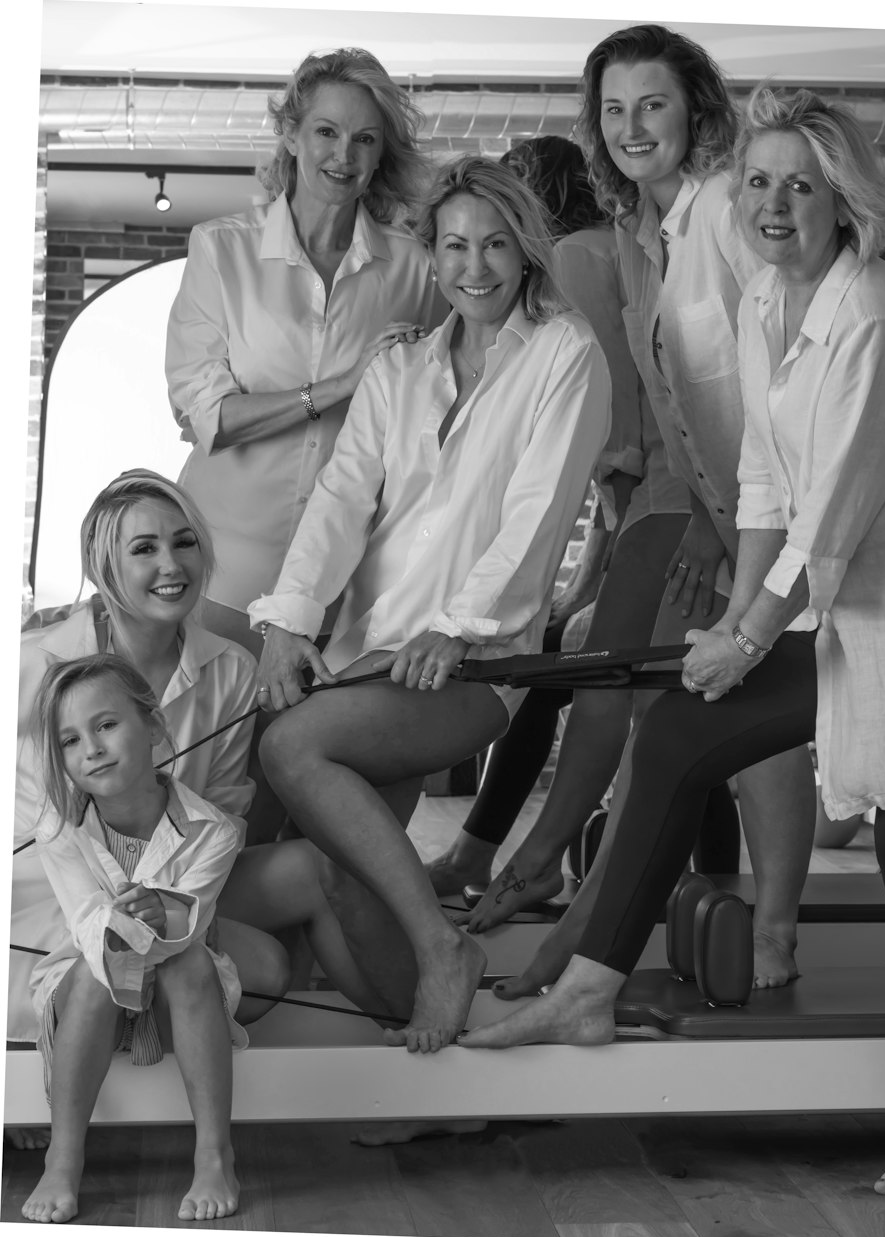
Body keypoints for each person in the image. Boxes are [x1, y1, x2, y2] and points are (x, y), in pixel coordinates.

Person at [462, 86, 885, 1203]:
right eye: (755, 180)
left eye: (800, 183)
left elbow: (834, 510)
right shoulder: (763, 304)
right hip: (838, 607)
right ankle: (590, 986)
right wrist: (735, 619)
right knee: (681, 734)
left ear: (843, 199)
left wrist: (747, 633)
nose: (773, 203)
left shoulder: (878, 318)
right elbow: (760, 479)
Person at [459, 27, 816, 993]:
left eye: (651, 104)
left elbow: (773, 385)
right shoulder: (646, 233)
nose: (630, 127)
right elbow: (675, 402)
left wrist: (719, 521)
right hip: (725, 504)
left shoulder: (728, 214)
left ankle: (770, 928)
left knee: (749, 713)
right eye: (613, 111)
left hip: (776, 514)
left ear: (697, 108)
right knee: (706, 711)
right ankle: (587, 920)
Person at [250, 155, 612, 1054]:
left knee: (292, 743)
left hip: (477, 662)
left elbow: (540, 511)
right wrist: (291, 618)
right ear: (432, 254)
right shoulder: (402, 365)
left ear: (526, 250)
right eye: (454, 246)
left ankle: (441, 944)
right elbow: (340, 499)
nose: (474, 267)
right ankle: (439, 1081)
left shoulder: (566, 355)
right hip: (370, 653)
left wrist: (459, 627)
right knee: (339, 875)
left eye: (494, 244)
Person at [427, 134, 738, 899]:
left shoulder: (572, 265)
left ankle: (532, 865)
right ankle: (695, 885)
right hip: (665, 498)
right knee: (655, 699)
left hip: (670, 497)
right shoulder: (613, 249)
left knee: (623, 688)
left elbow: (616, 430)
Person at [10, 471, 376, 1066]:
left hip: (174, 883)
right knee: (254, 968)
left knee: (306, 882)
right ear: (104, 568)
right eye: (144, 549)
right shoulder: (33, 665)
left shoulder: (230, 669)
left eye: (184, 543)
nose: (172, 564)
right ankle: (60, 1037)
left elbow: (226, 809)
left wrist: (173, 904)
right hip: (57, 893)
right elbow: (45, 830)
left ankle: (407, 1026)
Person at [166, 47, 439, 657]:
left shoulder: (416, 270)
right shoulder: (221, 252)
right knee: (213, 750)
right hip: (221, 569)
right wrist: (342, 385)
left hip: (344, 583)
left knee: (296, 750)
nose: (343, 155)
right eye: (326, 131)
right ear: (290, 134)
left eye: (364, 139)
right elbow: (209, 418)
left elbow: (433, 413)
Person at [22, 655, 249, 1223]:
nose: (91, 749)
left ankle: (214, 1155)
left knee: (191, 962)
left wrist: (164, 914)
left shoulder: (215, 830)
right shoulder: (58, 830)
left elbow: (191, 923)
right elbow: (85, 922)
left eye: (105, 725)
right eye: (70, 740)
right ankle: (63, 1159)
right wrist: (132, 920)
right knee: (96, 973)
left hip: (176, 989)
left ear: (151, 727)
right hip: (89, 993)